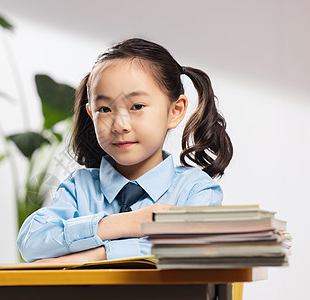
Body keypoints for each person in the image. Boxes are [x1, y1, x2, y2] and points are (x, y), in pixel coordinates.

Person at [17, 38, 233, 263]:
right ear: (91, 114)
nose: (120, 125)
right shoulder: (78, 187)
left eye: (137, 106)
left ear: (175, 111)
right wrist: (129, 223)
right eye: (105, 109)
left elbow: (192, 248)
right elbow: (32, 241)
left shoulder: (195, 189)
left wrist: (97, 255)